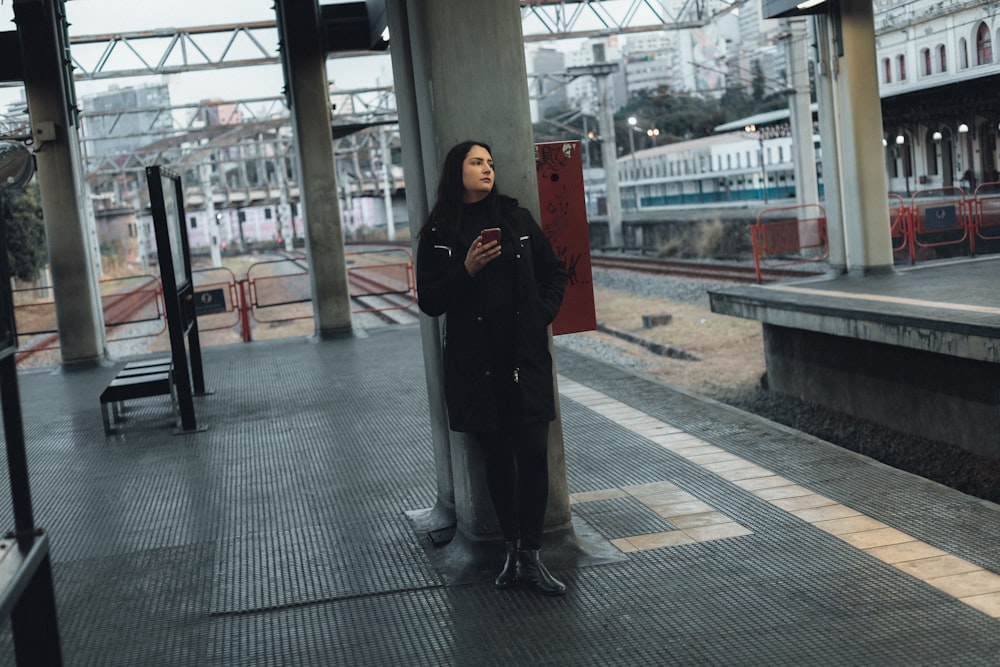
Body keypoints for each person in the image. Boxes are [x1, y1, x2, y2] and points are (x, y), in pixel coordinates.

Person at [416, 140, 569, 596]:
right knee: (498, 462)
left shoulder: (516, 220)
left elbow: (554, 271)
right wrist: (465, 269)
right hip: (475, 365)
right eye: (476, 161)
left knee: (532, 457)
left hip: (524, 359)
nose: (487, 168)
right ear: (455, 171)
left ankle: (532, 556)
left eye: (490, 161)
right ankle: (511, 553)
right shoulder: (440, 233)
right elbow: (430, 301)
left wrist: (543, 312)